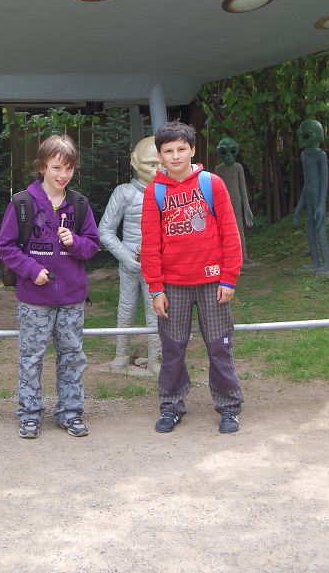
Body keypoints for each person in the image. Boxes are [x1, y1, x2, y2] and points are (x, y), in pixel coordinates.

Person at [141, 122, 243, 434]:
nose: (175, 156)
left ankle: (229, 407)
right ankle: (171, 406)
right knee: (172, 350)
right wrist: (155, 287)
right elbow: (150, 244)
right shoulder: (155, 192)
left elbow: (230, 233)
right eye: (168, 151)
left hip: (213, 284)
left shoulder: (212, 184)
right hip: (173, 286)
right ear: (160, 156)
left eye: (181, 149)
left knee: (219, 347)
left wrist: (229, 278)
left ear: (193, 150)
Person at [0, 134, 100, 440]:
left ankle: (70, 413)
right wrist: (32, 270)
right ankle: (29, 415)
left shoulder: (79, 204)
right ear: (42, 166)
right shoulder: (22, 203)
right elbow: (5, 247)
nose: (62, 175)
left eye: (69, 168)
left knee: (72, 357)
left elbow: (93, 246)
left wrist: (75, 242)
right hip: (34, 300)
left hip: (72, 299)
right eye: (56, 167)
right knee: (31, 359)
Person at [99, 136, 161, 376]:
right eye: (151, 164)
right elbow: (105, 230)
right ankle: (121, 354)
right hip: (129, 263)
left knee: (156, 311)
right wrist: (126, 257)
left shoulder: (168, 192)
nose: (157, 170)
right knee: (126, 308)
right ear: (134, 162)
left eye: (161, 164)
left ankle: (156, 358)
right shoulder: (124, 193)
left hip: (157, 265)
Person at [293, 119, 329, 273]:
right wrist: (299, 207)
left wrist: (322, 204)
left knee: (320, 230)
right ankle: (315, 262)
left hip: (317, 200)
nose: (301, 139)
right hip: (309, 198)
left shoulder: (320, 156)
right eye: (300, 135)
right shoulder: (304, 155)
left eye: (306, 136)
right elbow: (307, 182)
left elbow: (324, 181)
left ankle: (327, 263)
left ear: (317, 137)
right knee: (310, 231)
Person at [214, 137, 254, 266]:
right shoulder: (219, 169)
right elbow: (216, 189)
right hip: (223, 203)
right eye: (224, 152)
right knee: (225, 230)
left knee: (239, 228)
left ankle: (243, 256)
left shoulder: (238, 168)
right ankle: (229, 258)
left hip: (236, 202)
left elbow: (243, 189)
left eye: (232, 152)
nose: (228, 156)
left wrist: (246, 207)